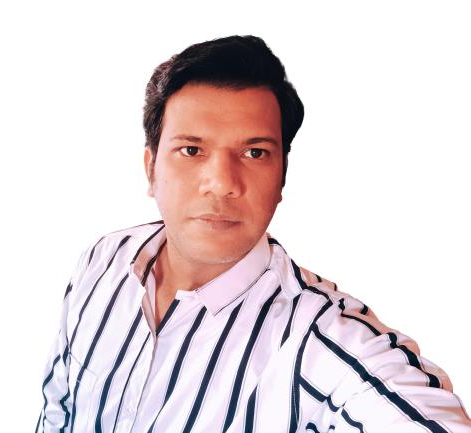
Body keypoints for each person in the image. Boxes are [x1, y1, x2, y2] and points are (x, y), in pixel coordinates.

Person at [35, 35, 471, 433]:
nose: (222, 183)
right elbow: (57, 411)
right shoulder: (103, 260)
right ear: (151, 168)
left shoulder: (321, 342)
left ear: (282, 178)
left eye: (254, 152)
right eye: (191, 150)